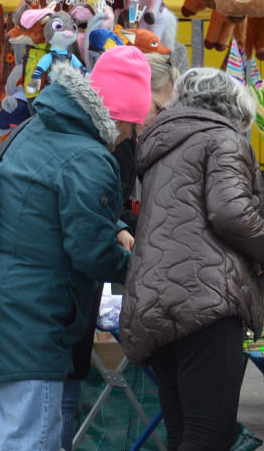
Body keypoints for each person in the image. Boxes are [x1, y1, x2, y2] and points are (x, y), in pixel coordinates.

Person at [0, 46, 148, 451]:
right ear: (118, 115)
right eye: (132, 127)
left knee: (4, 440)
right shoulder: (89, 156)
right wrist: (141, 267)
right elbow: (91, 254)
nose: (130, 137)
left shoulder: (32, 129)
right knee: (30, 442)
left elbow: (44, 203)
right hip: (33, 320)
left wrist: (117, 224)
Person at [122, 68, 264, 451]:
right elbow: (230, 214)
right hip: (206, 300)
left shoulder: (164, 141)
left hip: (156, 300)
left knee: (181, 432)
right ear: (235, 109)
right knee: (209, 435)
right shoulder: (223, 138)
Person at [59, 52, 180, 451]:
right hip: (57, 305)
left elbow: (90, 211)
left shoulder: (81, 136)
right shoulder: (112, 141)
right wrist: (135, 266)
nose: (158, 118)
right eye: (159, 107)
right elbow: (89, 234)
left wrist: (116, 228)